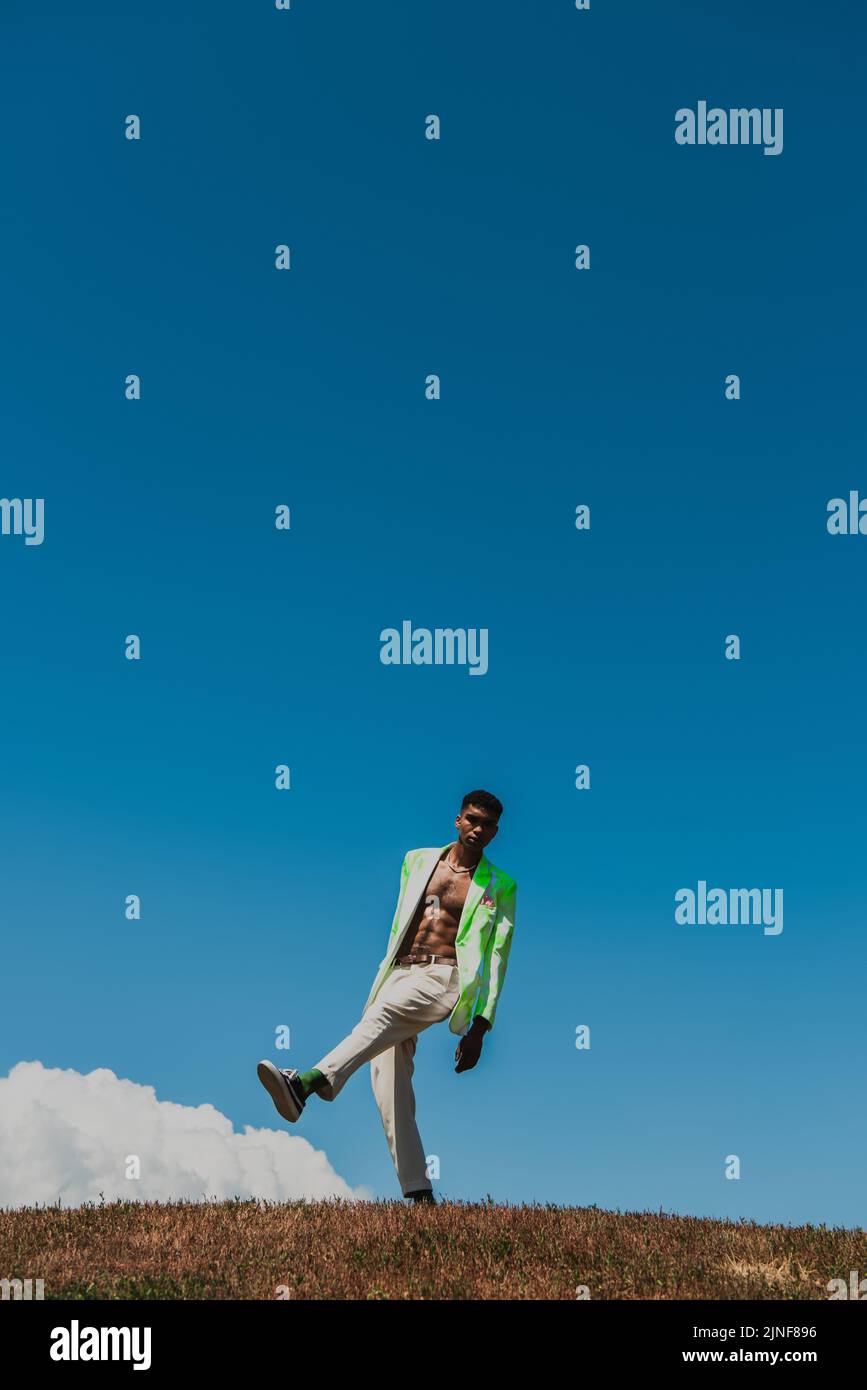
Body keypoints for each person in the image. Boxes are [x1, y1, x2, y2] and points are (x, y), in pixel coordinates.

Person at [257, 790, 517, 1203]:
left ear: (495, 832)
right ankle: (419, 1192)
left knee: (383, 1017)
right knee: (389, 1079)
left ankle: (307, 1083)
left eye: (487, 825)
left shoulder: (500, 886)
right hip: (398, 973)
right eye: (472, 819)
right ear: (457, 819)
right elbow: (403, 922)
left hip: (446, 976)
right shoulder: (417, 860)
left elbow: (497, 957)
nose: (478, 829)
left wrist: (481, 1027)